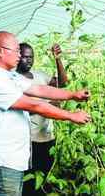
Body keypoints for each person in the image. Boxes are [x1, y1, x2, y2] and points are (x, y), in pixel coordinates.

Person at [0, 31, 91, 196]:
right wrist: (71, 115)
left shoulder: (9, 77)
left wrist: (73, 94)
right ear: (0, 51)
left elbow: (38, 89)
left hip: (13, 161)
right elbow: (35, 105)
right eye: (16, 50)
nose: (19, 55)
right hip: (4, 162)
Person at [17, 43, 67, 196]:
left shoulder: (39, 75)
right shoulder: (14, 79)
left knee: (46, 176)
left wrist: (57, 59)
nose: (28, 60)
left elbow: (62, 83)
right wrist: (49, 105)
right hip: (27, 140)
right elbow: (21, 108)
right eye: (25, 57)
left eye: (31, 57)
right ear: (17, 57)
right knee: (29, 180)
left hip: (47, 136)